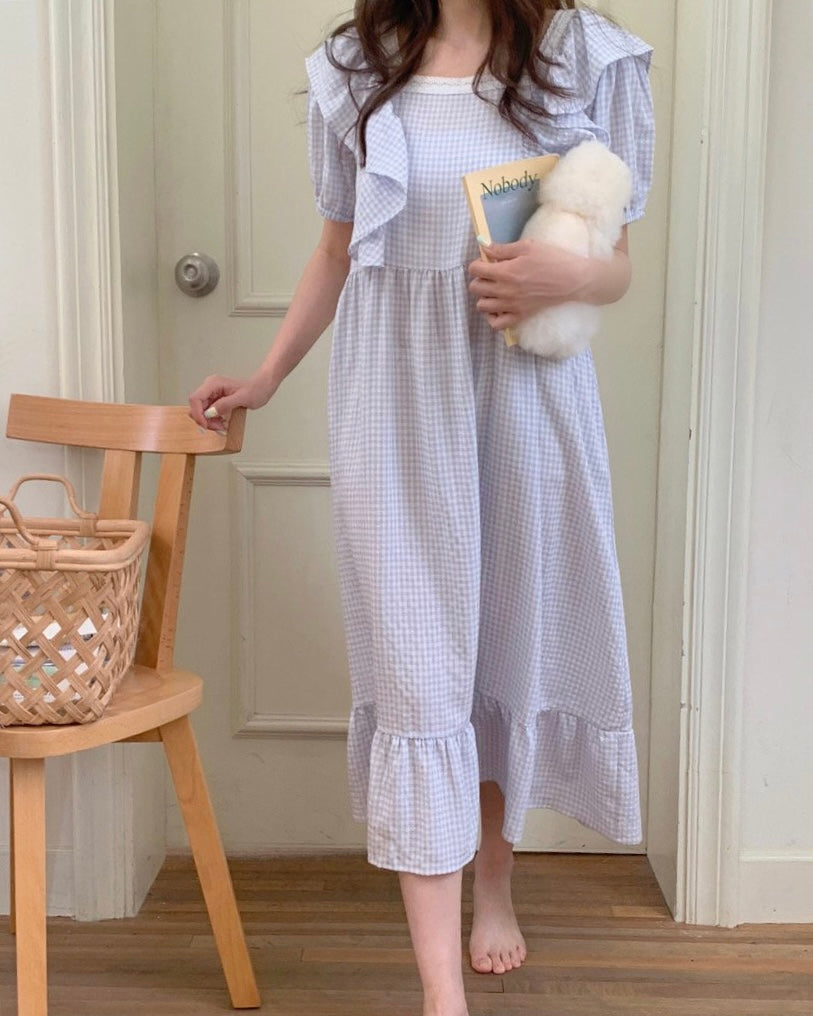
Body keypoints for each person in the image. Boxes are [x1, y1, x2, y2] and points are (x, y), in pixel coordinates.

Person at [189, 2, 655, 1013]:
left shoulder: (582, 55)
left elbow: (616, 263)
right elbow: (336, 249)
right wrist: (267, 375)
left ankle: (496, 884)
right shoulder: (357, 66)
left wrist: (571, 273)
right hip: (395, 399)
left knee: (505, 646)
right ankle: (442, 995)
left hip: (528, 398)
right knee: (419, 670)